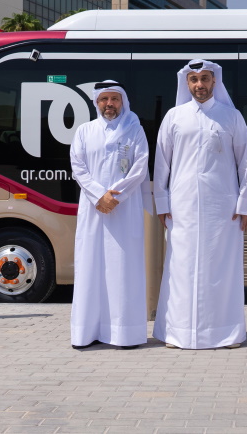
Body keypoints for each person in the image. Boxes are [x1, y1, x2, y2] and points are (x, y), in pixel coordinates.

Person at [153, 60, 247, 350]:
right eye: (194, 79)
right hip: (181, 207)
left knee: (221, 269)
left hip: (223, 209)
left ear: (214, 81)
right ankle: (178, 333)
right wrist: (161, 202)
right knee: (180, 268)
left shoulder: (231, 116)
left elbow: (246, 163)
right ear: (187, 83)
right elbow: (162, 163)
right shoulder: (174, 116)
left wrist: (244, 204)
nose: (200, 85)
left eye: (205, 79)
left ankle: (226, 334)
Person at [70, 80, 152, 350]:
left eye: (114, 99)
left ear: (122, 102)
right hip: (93, 209)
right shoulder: (84, 131)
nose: (109, 104)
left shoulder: (135, 129)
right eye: (104, 99)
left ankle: (124, 334)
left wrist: (115, 196)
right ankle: (87, 332)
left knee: (123, 270)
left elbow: (140, 166)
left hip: (124, 210)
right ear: (97, 102)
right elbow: (78, 167)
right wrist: (99, 196)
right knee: (90, 267)